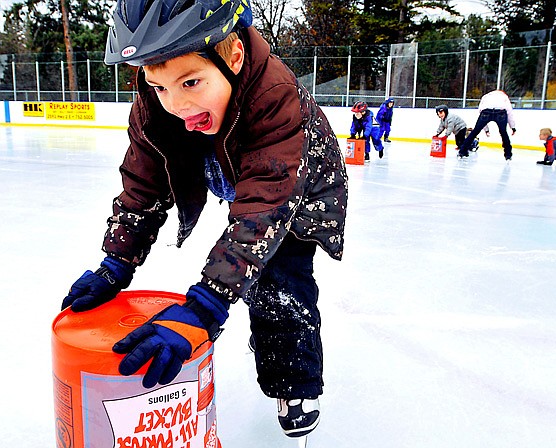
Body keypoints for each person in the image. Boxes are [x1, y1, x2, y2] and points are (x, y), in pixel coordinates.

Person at [62, 0, 348, 439]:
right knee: (249, 267)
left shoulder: (275, 95)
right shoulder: (158, 107)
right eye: (158, 86)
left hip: (301, 183)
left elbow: (265, 205)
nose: (175, 103)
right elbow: (143, 181)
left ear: (233, 55)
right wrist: (115, 262)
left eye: (190, 81)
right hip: (232, 165)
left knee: (280, 284)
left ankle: (296, 382)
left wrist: (208, 305)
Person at [458, 89, 516, 160]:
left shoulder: (486, 96)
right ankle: (508, 155)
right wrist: (512, 127)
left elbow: (480, 110)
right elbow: (509, 112)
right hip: (500, 112)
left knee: (475, 131)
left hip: (486, 112)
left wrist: (486, 130)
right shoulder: (504, 97)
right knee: (503, 133)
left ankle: (462, 152)